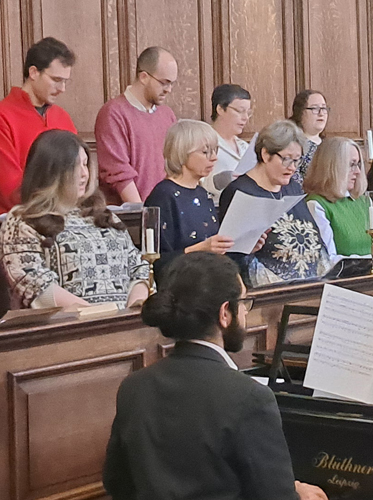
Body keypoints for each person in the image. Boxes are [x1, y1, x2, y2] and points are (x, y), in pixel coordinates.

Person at [102, 251, 328, 500]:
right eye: (244, 303)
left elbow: (117, 484)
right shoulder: (249, 397)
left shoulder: (134, 387)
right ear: (224, 313)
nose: (245, 313)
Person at [0, 130, 152, 309]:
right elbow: (33, 283)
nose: (84, 174)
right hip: (67, 330)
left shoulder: (102, 215)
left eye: (86, 164)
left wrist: (134, 308)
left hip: (120, 326)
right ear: (52, 171)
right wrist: (98, 316)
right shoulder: (23, 221)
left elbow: (139, 267)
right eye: (75, 166)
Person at [219, 120, 329, 287]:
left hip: (310, 285)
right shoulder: (239, 191)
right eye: (286, 159)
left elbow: (312, 236)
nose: (292, 168)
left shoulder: (292, 187)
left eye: (297, 160)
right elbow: (230, 255)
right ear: (265, 154)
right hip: (267, 292)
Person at [0, 37, 79, 216]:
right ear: (34, 72)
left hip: (64, 216)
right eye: (56, 79)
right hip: (21, 219)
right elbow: (9, 187)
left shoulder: (63, 117)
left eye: (66, 81)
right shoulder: (0, 116)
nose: (62, 88)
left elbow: (79, 172)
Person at [145, 119, 235, 275]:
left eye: (215, 151)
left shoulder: (203, 194)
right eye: (205, 152)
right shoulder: (163, 196)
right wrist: (200, 249)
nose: (214, 158)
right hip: (183, 284)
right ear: (182, 152)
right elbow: (155, 262)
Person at [94, 46, 179, 205]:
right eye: (164, 83)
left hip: (165, 210)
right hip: (130, 217)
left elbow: (176, 166)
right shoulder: (113, 113)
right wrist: (142, 214)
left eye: (172, 84)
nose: (169, 90)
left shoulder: (167, 115)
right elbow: (118, 172)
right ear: (144, 77)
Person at [302, 137, 373, 258]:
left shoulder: (365, 201)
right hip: (346, 276)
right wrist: (372, 259)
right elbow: (328, 260)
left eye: (358, 164)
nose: (357, 171)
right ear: (331, 166)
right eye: (351, 165)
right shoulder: (317, 204)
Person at [206, 83, 255, 193]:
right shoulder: (203, 141)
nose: (245, 118)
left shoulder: (245, 147)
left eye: (248, 113)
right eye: (240, 111)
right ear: (220, 109)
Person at [287, 90, 328, 187]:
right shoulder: (291, 145)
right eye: (315, 108)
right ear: (300, 113)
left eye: (324, 108)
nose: (321, 113)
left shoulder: (329, 145)